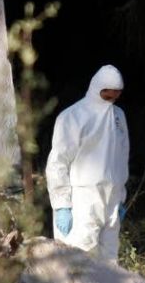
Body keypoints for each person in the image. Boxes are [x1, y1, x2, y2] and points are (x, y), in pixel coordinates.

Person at [45, 65, 129, 264]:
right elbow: (58, 162)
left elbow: (122, 157)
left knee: (110, 263)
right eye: (107, 96)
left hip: (111, 199)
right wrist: (62, 205)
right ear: (96, 88)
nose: (111, 101)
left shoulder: (118, 116)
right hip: (82, 200)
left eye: (116, 96)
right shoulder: (72, 116)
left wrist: (121, 196)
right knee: (80, 263)